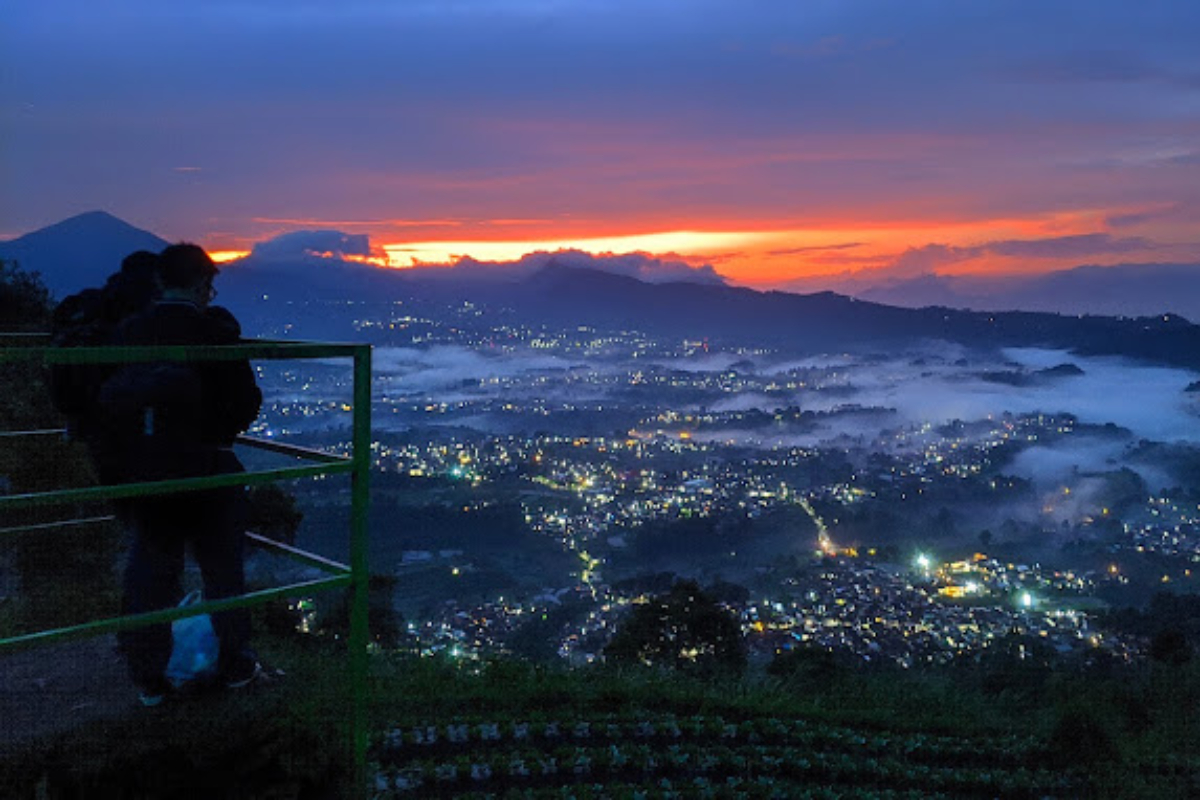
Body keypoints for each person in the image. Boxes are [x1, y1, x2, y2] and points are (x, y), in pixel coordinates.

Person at [105, 243, 264, 705]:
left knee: (151, 574)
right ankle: (235, 663)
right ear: (201, 284)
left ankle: (148, 677)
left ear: (159, 281)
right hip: (210, 466)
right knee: (222, 572)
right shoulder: (212, 331)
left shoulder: (131, 331)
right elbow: (245, 401)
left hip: (149, 470)